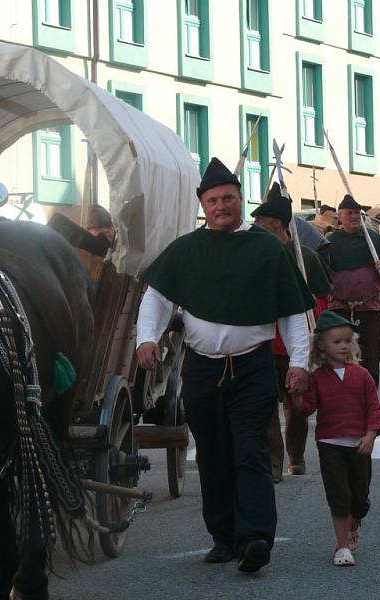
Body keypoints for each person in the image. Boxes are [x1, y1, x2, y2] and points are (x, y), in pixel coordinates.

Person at [136, 157, 313, 573]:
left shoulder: (268, 248)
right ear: (204, 205)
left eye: (229, 198)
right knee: (213, 454)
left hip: (252, 367)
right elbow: (156, 299)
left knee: (250, 449)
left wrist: (300, 362)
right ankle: (223, 537)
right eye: (213, 200)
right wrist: (147, 338)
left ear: (240, 200)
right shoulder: (186, 249)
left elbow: (292, 313)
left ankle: (254, 538)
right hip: (202, 368)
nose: (221, 206)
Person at [252, 183, 332, 481]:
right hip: (262, 343)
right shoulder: (256, 254)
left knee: (296, 406)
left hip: (295, 346)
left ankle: (295, 457)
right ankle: (273, 461)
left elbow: (323, 299)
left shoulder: (307, 257)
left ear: (274, 224)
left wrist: (316, 340)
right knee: (264, 406)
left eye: (260, 223)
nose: (256, 228)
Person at [292, 311, 380, 566]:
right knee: (338, 495)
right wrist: (297, 397)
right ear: (321, 345)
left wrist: (370, 434)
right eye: (336, 342)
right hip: (329, 444)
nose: (343, 346)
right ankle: (342, 547)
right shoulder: (317, 378)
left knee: (360, 500)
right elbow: (308, 408)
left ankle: (355, 523)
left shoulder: (362, 375)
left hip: (359, 445)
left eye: (346, 341)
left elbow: (374, 409)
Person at [323, 194, 380, 386]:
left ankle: (370, 405)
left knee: (370, 361)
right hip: (339, 310)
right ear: (340, 216)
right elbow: (321, 272)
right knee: (340, 361)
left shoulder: (376, 240)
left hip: (369, 309)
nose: (355, 216)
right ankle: (343, 403)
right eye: (350, 213)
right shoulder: (330, 242)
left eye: (358, 212)